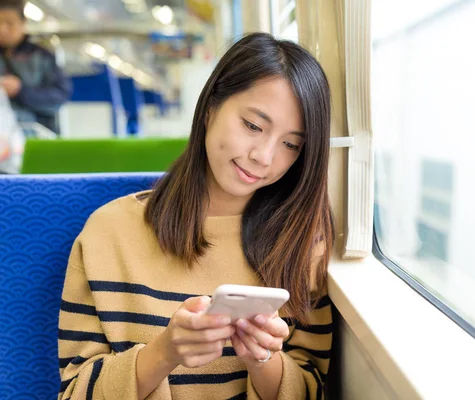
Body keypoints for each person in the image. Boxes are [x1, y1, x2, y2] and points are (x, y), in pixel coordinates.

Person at [58, 32, 334, 400]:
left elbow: (311, 391)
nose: (264, 157)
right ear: (210, 107)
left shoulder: (303, 243)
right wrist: (165, 352)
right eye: (253, 126)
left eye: (290, 144)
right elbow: (75, 394)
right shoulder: (108, 233)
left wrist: (262, 358)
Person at [0, 0, 71, 135]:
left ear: (23, 24)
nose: (2, 29)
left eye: (9, 24)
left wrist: (20, 91)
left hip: (34, 133)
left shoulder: (41, 56)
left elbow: (60, 96)